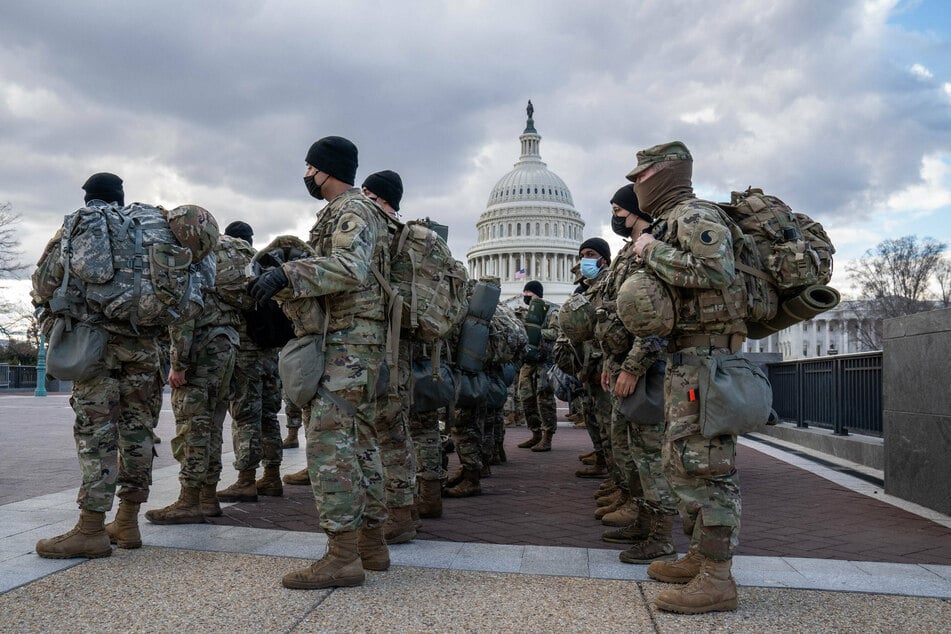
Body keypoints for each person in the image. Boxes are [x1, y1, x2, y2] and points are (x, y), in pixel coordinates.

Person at [30, 175, 206, 557]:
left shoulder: (83, 226)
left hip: (96, 346)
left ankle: (91, 529)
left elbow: (45, 283)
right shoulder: (149, 231)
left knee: (97, 435)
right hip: (146, 348)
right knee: (138, 433)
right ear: (121, 198)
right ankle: (127, 522)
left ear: (89, 197)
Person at [248, 136, 391, 590]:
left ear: (324, 169)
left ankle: (342, 557)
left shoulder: (352, 210)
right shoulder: (353, 211)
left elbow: (351, 269)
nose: (307, 176)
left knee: (330, 447)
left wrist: (286, 274)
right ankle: (371, 545)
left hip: (345, 343)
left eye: (310, 168)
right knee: (360, 441)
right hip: (356, 342)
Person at [629, 141, 747, 614]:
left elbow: (716, 271)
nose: (636, 185)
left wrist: (653, 251)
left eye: (640, 176)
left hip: (707, 362)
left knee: (707, 466)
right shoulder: (672, 219)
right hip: (687, 360)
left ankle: (718, 577)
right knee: (682, 461)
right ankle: (702, 555)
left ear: (662, 173)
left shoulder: (693, 216)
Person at [591, 185, 680, 566]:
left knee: (649, 455)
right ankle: (643, 521)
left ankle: (661, 536)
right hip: (623, 365)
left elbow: (654, 317)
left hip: (645, 369)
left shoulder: (650, 250)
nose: (616, 217)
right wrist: (613, 365)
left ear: (634, 210)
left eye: (619, 210)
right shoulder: (631, 251)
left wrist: (632, 366)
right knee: (629, 452)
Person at [146, 219, 242, 527]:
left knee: (192, 427)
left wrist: (178, 363)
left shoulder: (188, 263)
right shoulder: (215, 257)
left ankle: (189, 501)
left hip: (200, 352)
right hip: (227, 345)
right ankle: (208, 498)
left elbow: (183, 315)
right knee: (212, 426)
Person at [360, 169, 418, 544]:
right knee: (398, 433)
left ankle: (396, 517)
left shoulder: (381, 233)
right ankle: (406, 511)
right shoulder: (413, 238)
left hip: (383, 348)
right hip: (406, 348)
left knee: (385, 435)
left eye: (366, 192)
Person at [217, 221, 285, 503]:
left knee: (245, 416)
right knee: (269, 417)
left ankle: (246, 480)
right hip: (271, 355)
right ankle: (272, 476)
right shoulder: (266, 263)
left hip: (246, 353)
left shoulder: (230, 264)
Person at [571, 237, 613, 480]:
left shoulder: (609, 283)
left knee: (610, 424)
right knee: (596, 416)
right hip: (591, 362)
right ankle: (604, 462)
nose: (585, 259)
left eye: (590, 254)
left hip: (605, 361)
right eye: (582, 255)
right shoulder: (586, 287)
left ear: (603, 258)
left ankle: (617, 479)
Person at [515, 280, 558, 452]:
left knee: (544, 398)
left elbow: (556, 332)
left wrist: (536, 333)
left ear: (537, 293)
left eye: (529, 294)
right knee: (526, 397)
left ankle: (547, 436)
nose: (526, 297)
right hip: (528, 361)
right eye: (524, 294)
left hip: (544, 360)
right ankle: (535, 433)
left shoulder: (551, 310)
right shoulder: (523, 311)